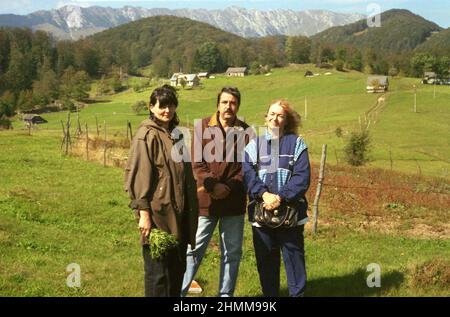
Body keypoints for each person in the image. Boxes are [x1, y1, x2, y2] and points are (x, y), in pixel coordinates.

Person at [124, 85, 199, 297]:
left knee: (176, 271)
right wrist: (144, 214)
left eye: (171, 105)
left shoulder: (177, 135)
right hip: (159, 215)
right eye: (162, 106)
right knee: (158, 275)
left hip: (180, 215)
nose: (167, 110)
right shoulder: (146, 135)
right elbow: (139, 175)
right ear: (151, 107)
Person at [181, 87, 252, 297]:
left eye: (233, 103)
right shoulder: (201, 126)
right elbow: (196, 163)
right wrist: (213, 185)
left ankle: (225, 297)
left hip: (234, 202)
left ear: (238, 106)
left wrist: (228, 187)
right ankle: (180, 294)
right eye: (224, 102)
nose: (228, 106)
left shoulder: (247, 132)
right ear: (217, 104)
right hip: (206, 201)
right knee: (193, 250)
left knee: (232, 253)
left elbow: (246, 168)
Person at [243, 99, 311, 297]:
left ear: (286, 121)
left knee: (294, 261)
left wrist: (280, 197)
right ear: (265, 118)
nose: (275, 118)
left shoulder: (297, 144)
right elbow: (248, 175)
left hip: (290, 215)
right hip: (261, 215)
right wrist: (264, 194)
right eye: (272, 114)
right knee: (266, 263)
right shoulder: (254, 146)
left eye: (280, 115)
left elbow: (302, 177)